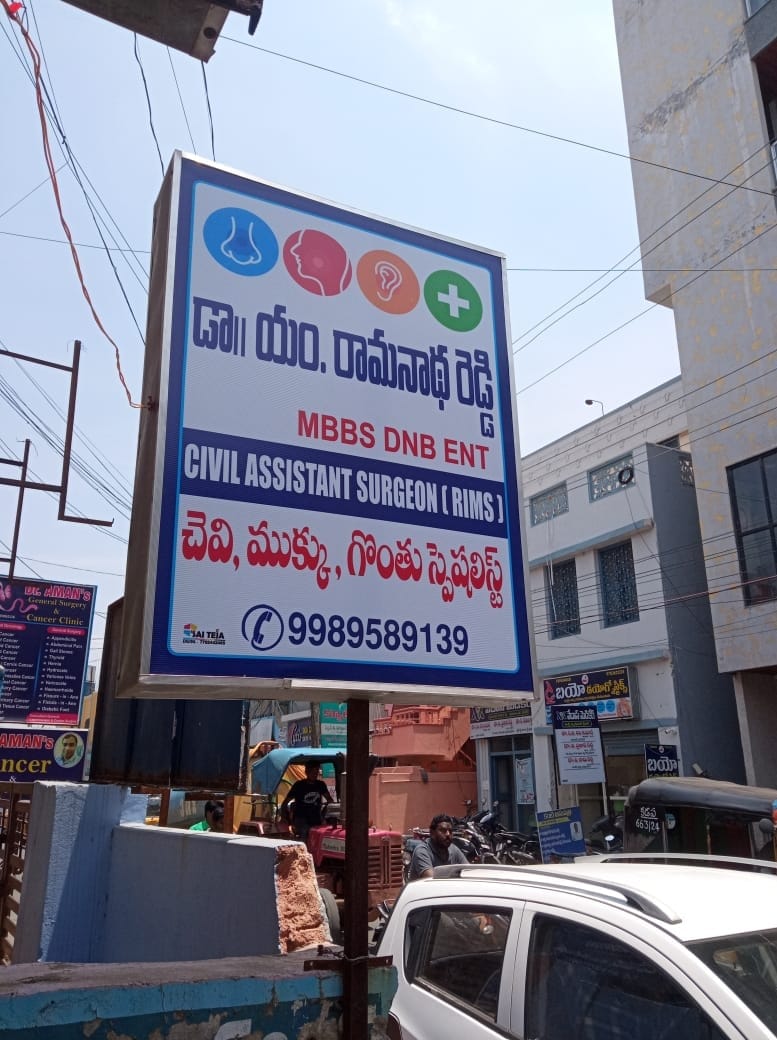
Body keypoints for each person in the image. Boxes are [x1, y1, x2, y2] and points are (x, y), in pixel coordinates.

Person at [280, 762, 332, 844]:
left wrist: (324, 813)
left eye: (316, 772)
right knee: (304, 836)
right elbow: (285, 802)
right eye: (313, 772)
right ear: (307, 772)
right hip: (301, 819)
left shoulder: (320, 785)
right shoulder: (299, 785)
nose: (315, 775)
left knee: (319, 839)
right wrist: (284, 818)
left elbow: (330, 800)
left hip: (316, 818)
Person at [408, 813, 468, 880]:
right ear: (432, 833)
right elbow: (431, 880)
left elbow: (468, 871)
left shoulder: (453, 849)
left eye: (450, 831)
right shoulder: (422, 851)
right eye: (443, 830)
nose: (448, 834)